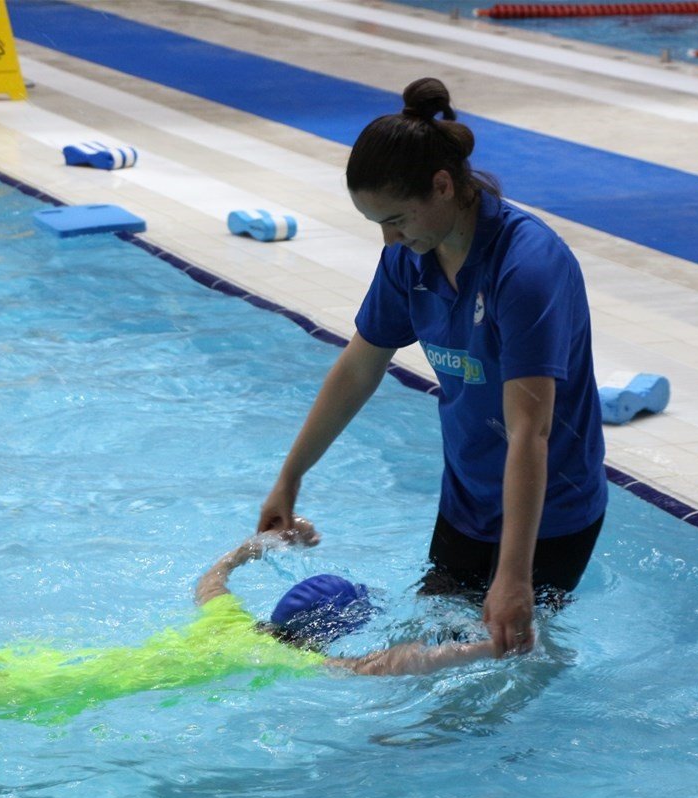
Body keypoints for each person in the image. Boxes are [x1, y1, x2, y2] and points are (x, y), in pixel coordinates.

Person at [258, 77, 607, 658]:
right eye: (378, 225)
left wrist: (514, 577)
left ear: (443, 186)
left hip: (550, 510)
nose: (389, 238)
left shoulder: (526, 267)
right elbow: (358, 371)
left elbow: (531, 430)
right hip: (468, 497)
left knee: (507, 665)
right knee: (426, 645)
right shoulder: (409, 259)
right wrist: (290, 477)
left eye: (396, 219)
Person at [0, 520, 493, 724]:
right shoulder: (284, 663)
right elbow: (382, 666)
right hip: (55, 695)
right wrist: (479, 647)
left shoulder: (229, 627)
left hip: (47, 663)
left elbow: (208, 580)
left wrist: (254, 547)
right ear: (328, 636)